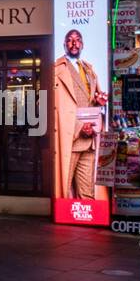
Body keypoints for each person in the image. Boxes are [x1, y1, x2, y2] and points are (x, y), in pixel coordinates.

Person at [53, 29, 107, 199]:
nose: (74, 43)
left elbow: (90, 101)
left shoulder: (89, 69)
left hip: (89, 140)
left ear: (82, 44)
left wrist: (99, 102)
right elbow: (53, 107)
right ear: (64, 44)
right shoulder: (56, 70)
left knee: (87, 192)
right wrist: (78, 128)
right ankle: (66, 222)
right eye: (70, 40)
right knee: (64, 189)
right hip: (70, 139)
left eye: (78, 40)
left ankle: (85, 221)